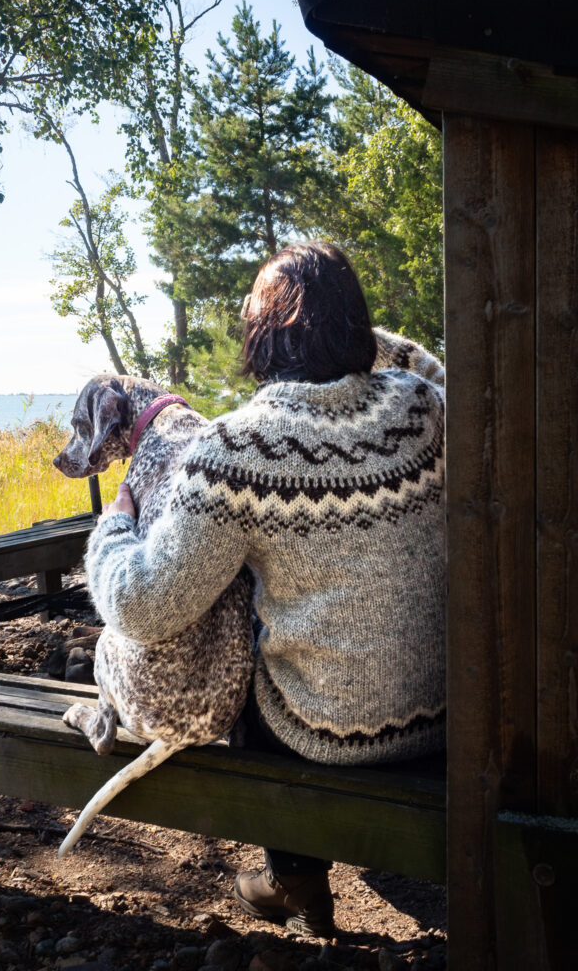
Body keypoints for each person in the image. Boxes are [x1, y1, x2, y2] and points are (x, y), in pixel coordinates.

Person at [86, 241, 446, 937]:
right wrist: (360, 336)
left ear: (260, 335)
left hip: (317, 733)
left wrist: (114, 529)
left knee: (240, 633)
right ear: (360, 329)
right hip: (444, 714)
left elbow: (144, 607)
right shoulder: (422, 407)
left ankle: (294, 879)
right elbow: (431, 366)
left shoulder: (234, 449)